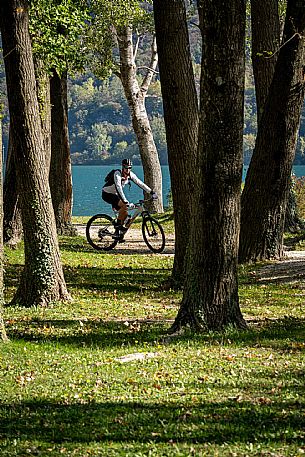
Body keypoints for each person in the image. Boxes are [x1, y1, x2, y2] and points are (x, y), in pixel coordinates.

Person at [102, 158, 158, 240]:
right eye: (126, 167)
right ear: (122, 167)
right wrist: (124, 200)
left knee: (125, 214)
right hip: (107, 194)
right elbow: (119, 187)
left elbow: (140, 183)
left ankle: (118, 234)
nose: (128, 169)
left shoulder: (130, 175)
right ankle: (118, 228)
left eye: (129, 167)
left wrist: (151, 192)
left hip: (115, 195)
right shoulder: (117, 174)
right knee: (124, 206)